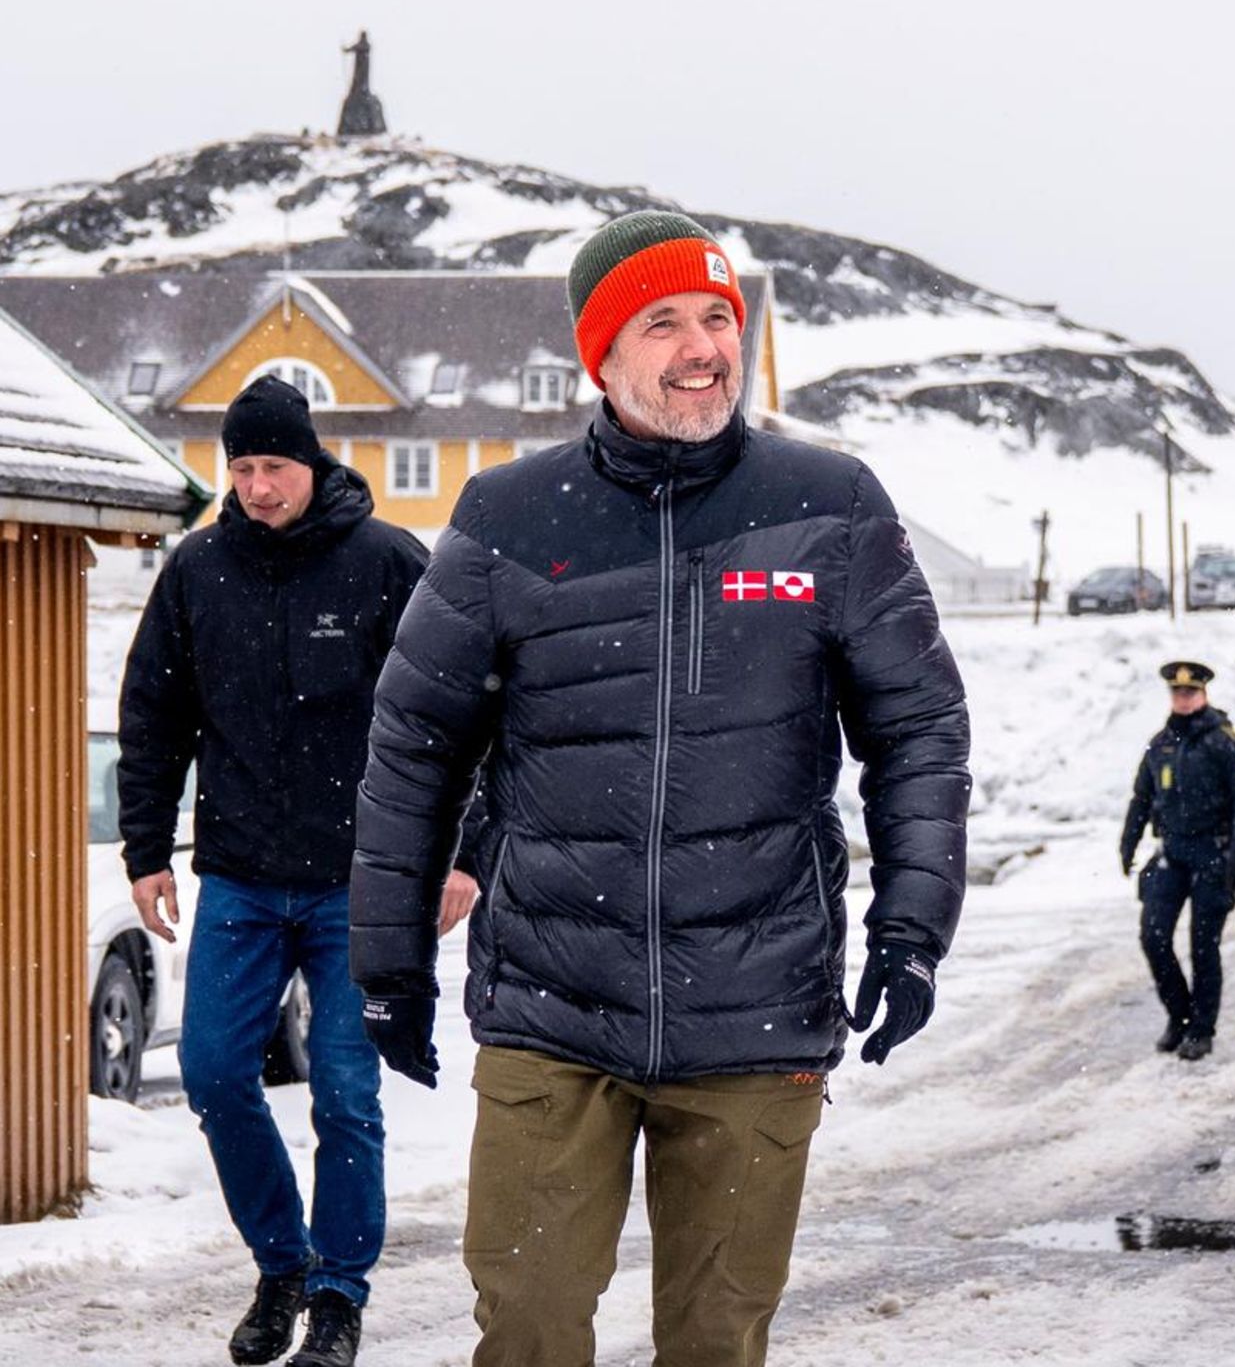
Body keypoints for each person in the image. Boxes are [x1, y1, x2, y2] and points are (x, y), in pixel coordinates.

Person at [349, 210, 972, 1365]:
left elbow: (919, 727)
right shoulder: (508, 517)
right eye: (666, 321)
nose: (703, 347)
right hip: (552, 1005)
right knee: (528, 1328)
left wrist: (914, 930)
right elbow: (416, 743)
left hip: (756, 1007)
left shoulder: (828, 504)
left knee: (716, 1337)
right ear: (603, 354)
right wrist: (386, 960)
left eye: (720, 318)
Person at [118, 375, 479, 1367]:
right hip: (237, 877)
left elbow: (461, 717)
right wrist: (147, 849)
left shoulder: (388, 565)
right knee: (215, 1074)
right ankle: (281, 1266)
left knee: (344, 1095)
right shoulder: (196, 570)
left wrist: (460, 855)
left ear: (311, 463)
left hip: (361, 889)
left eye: (272, 466)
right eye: (239, 468)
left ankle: (338, 1296)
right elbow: (154, 717)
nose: (256, 486)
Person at [1119, 660, 1235, 1061]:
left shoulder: (1226, 743)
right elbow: (1142, 798)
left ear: (1203, 694)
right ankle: (1179, 1017)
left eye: (1190, 692)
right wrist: (1128, 843)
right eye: (1177, 693)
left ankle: (1201, 1029)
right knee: (1154, 936)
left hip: (1214, 857)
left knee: (1203, 946)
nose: (1183, 698)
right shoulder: (1160, 744)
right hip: (1172, 854)